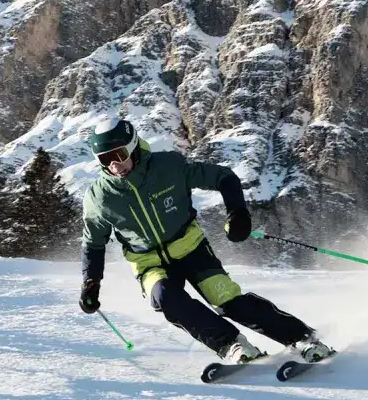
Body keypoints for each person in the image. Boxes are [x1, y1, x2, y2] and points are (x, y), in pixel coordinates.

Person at [78, 118, 332, 364]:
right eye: (105, 159)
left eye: (119, 154)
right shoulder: (99, 198)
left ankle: (303, 338)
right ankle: (231, 345)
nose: (115, 164)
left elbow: (224, 177)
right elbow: (94, 243)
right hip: (147, 262)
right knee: (167, 299)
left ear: (133, 145)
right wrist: (91, 282)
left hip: (191, 249)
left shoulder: (168, 167)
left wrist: (238, 213)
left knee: (227, 300)